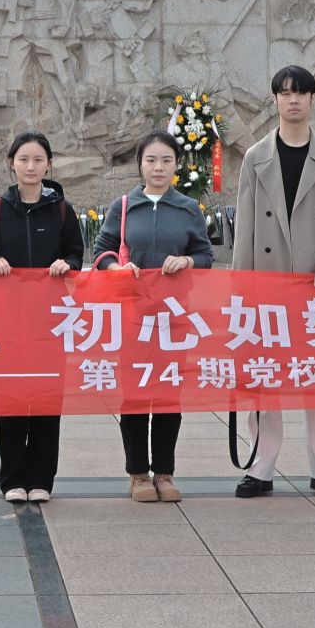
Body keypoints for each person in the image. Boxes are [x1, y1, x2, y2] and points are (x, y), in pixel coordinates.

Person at [231, 65, 315, 499]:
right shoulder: (256, 157)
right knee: (265, 375)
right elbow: (246, 228)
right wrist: (241, 291)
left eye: (301, 93)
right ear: (274, 100)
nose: (293, 100)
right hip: (267, 286)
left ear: (312, 99)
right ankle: (262, 466)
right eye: (285, 93)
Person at [92, 131, 214, 503]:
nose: (158, 167)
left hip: (173, 319)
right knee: (134, 394)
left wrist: (187, 260)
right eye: (151, 160)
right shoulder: (124, 206)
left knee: (168, 395)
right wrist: (116, 268)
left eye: (166, 160)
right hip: (134, 318)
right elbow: (101, 251)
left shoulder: (188, 209)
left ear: (177, 165)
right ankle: (138, 474)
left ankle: (164, 471)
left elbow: (205, 256)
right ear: (140, 164)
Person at [0, 131, 84, 504]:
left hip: (51, 322)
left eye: (38, 160)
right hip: (7, 322)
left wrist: (66, 263)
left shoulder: (62, 210)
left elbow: (76, 253)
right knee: (10, 401)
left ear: (48, 165)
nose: (31, 166)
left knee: (46, 401)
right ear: (12, 164)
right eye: (23, 159)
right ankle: (13, 480)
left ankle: (41, 480)